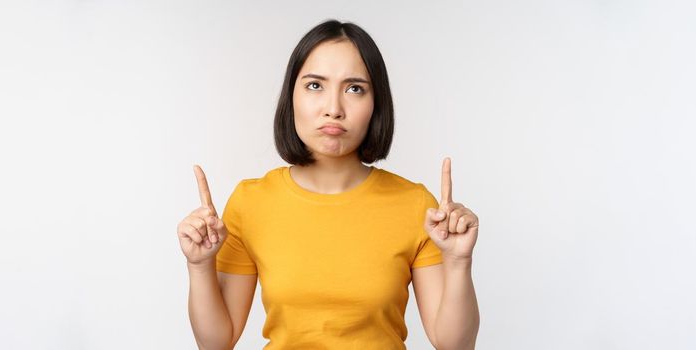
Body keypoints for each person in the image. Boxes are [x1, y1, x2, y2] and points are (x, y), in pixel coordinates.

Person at [176, 19, 480, 349]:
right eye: (315, 86)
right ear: (291, 95)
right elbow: (216, 343)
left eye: (354, 89)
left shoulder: (415, 205)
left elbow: (454, 345)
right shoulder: (252, 202)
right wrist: (200, 265)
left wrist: (459, 262)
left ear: (375, 103)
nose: (333, 109)